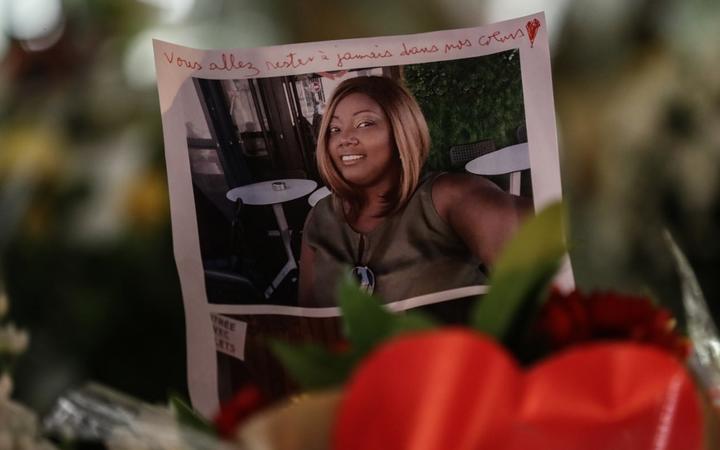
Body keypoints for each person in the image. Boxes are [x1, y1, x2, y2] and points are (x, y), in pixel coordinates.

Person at [298, 76, 530, 307]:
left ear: (401, 130)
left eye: (364, 123)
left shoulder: (446, 196)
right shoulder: (319, 217)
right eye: (334, 129)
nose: (344, 139)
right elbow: (306, 321)